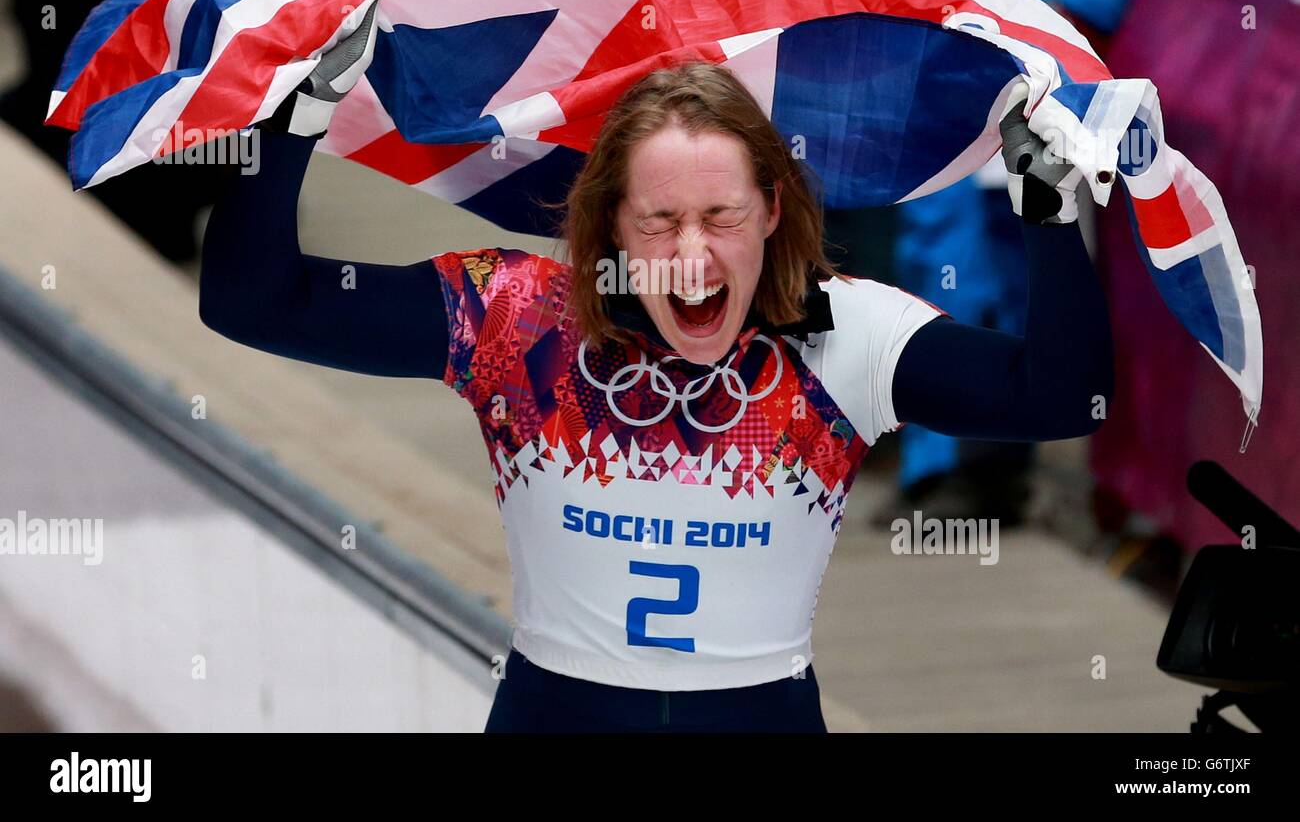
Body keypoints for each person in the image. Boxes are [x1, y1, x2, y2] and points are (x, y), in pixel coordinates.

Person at [198, 61, 1112, 732]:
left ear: (773, 213)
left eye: (721, 218)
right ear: (610, 226)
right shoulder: (517, 317)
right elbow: (252, 301)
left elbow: (1065, 398)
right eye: (659, 221)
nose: (692, 253)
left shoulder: (847, 333)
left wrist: (1051, 216)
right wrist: (290, 123)